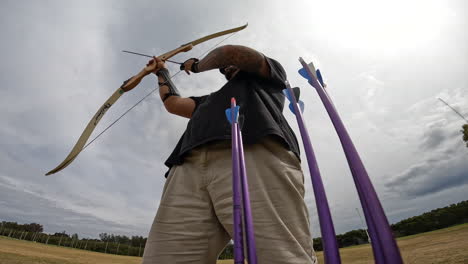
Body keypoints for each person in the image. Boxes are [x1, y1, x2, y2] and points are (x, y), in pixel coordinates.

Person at [141, 45, 318, 264]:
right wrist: (162, 71)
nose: (226, 69)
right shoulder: (208, 101)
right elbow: (173, 103)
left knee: (280, 257)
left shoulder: (269, 79)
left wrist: (195, 66)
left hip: (253, 152)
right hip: (186, 167)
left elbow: (229, 53)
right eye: (223, 69)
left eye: (227, 68)